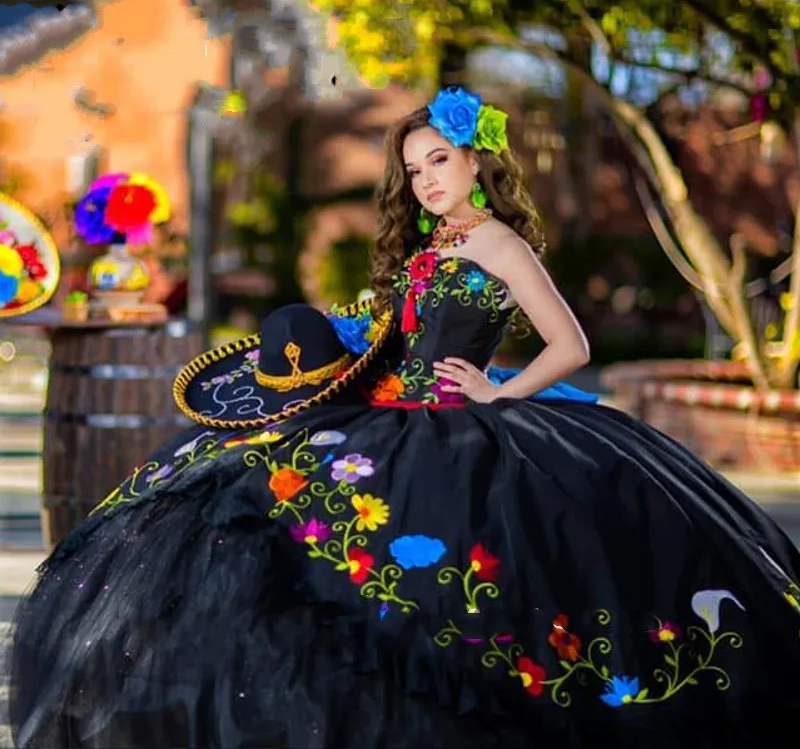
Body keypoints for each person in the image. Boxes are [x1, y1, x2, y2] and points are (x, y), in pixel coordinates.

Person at [7, 86, 800, 749]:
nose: (424, 179)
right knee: (247, 509)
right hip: (388, 409)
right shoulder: (436, 245)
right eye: (414, 167)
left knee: (455, 589)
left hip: (463, 423)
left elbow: (571, 344)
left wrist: (497, 393)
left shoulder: (498, 244)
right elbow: (396, 338)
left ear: (476, 160)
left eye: (439, 161)